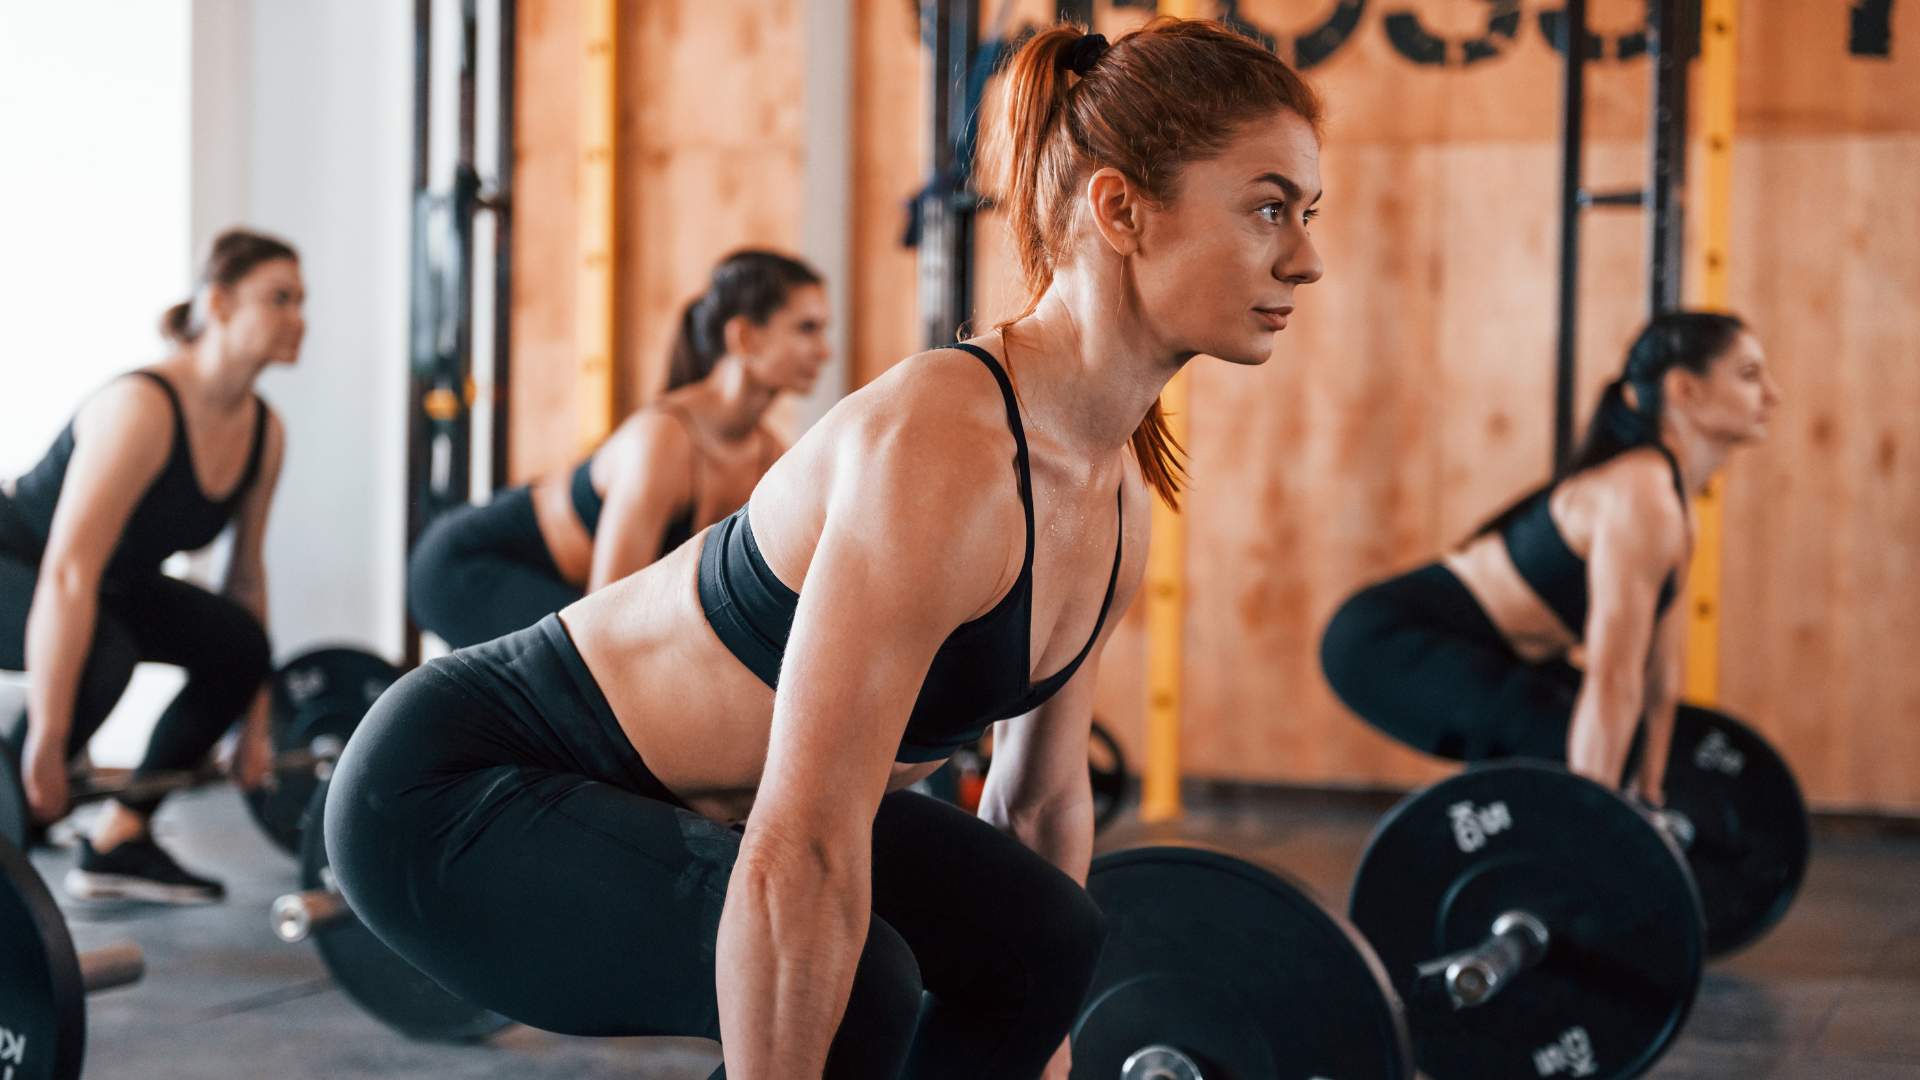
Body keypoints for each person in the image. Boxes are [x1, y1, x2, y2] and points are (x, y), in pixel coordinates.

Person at [328, 18, 1323, 1080]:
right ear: (1121, 208)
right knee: (853, 988)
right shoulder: (944, 447)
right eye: (1269, 209)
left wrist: (1040, 1043)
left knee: (1049, 941)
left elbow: (1037, 803)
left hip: (696, 797)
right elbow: (803, 845)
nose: (1305, 259)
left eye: (1308, 214)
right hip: (459, 795)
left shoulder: (1116, 490)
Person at [1320, 313, 1780, 803]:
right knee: (1573, 747)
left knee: (1607, 745)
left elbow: (1656, 681)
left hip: (1497, 650)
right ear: (1685, 389)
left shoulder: (1677, 507)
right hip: (1384, 641)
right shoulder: (1641, 497)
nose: (1773, 395)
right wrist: (1598, 826)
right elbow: (1613, 679)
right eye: (1750, 375)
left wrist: (1650, 799)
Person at [0, 228, 299, 902]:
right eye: (278, 298)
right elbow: (69, 572)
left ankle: (119, 841)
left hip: (105, 580)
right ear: (217, 304)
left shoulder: (263, 429)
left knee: (238, 644)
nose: (298, 319)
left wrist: (252, 725)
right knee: (105, 655)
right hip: (19, 556)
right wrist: (47, 744)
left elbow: (245, 577)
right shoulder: (143, 406)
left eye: (301, 301)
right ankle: (18, 785)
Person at [407, 250, 829, 649]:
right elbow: (606, 620)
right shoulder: (662, 441)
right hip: (466, 567)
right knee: (586, 666)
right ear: (744, 336)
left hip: (572, 594)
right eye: (806, 329)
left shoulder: (771, 457)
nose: (825, 351)